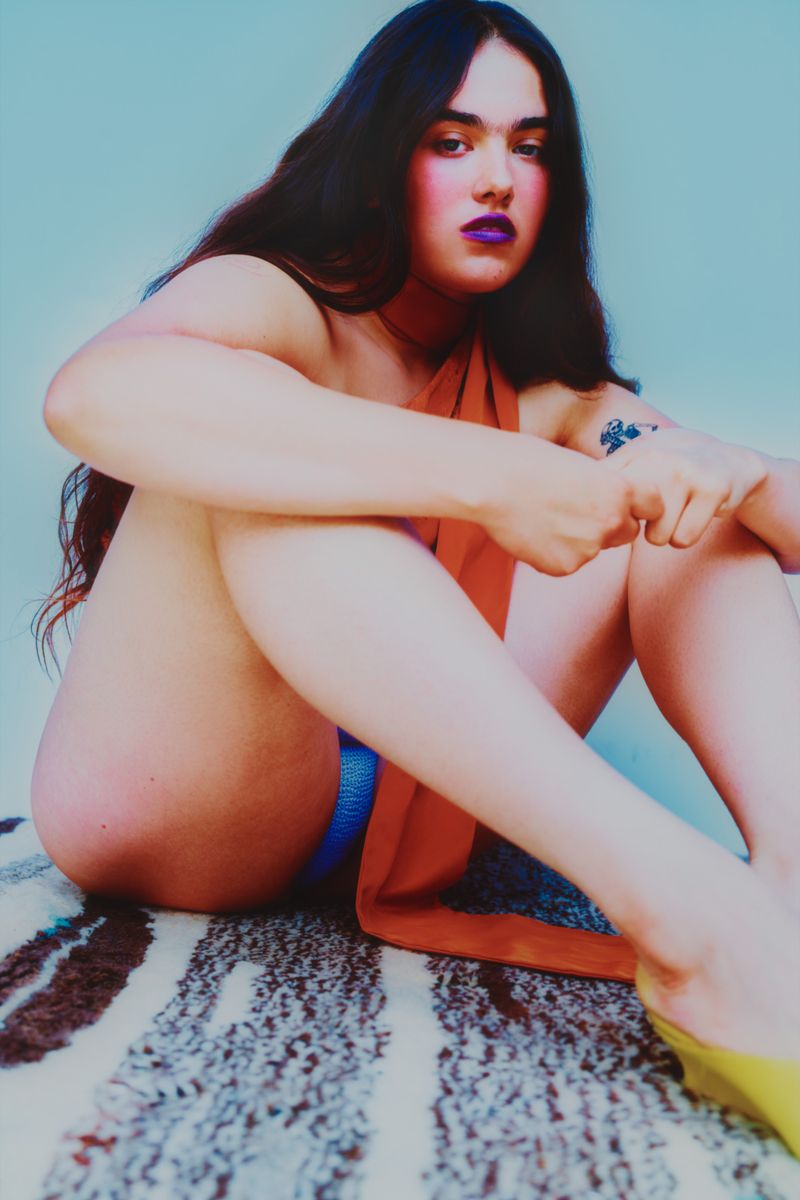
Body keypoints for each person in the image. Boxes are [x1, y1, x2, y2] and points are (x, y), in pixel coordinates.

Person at [31, 0, 800, 1152]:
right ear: (379, 157)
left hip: (403, 802)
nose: (496, 177)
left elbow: (723, 505)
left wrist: (728, 470)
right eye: (452, 140)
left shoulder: (544, 389)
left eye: (528, 147)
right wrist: (488, 476)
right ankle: (702, 928)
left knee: (688, 512)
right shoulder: (273, 298)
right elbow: (92, 400)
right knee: (265, 468)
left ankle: (786, 894)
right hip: (194, 806)